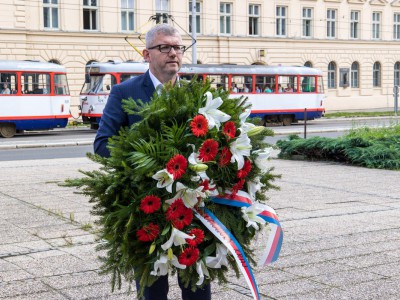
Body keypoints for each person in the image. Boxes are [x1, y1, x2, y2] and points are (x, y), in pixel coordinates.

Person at [93, 24, 212, 300]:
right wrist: (148, 159)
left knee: (197, 287)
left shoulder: (199, 93)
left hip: (193, 208)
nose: (173, 53)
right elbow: (102, 144)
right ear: (147, 54)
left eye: (178, 47)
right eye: (164, 47)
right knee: (152, 290)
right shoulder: (124, 92)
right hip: (147, 207)